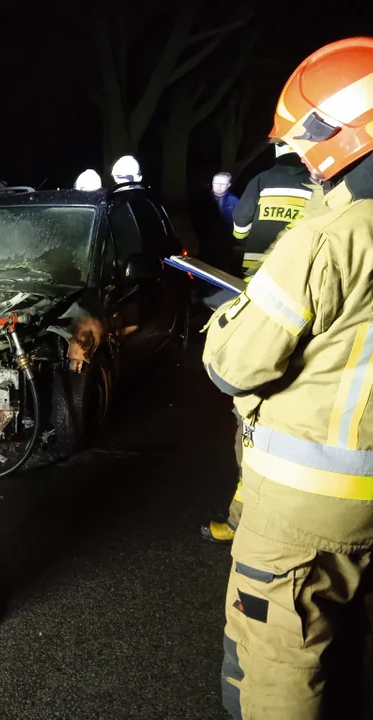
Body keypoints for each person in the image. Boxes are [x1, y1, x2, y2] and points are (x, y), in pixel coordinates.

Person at [202, 37, 373, 718]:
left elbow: (232, 364)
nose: (298, 153)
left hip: (307, 510)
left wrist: (228, 319)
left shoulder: (326, 239)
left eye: (306, 136)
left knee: (274, 674)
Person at [200, 146, 314, 545]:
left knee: (250, 407)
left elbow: (240, 230)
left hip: (260, 290)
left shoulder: (262, 181)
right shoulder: (323, 185)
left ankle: (247, 517)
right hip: (307, 297)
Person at [230, 143, 313, 276]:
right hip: (296, 262)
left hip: (257, 260)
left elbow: (242, 215)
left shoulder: (261, 179)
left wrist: (242, 239)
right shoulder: (316, 184)